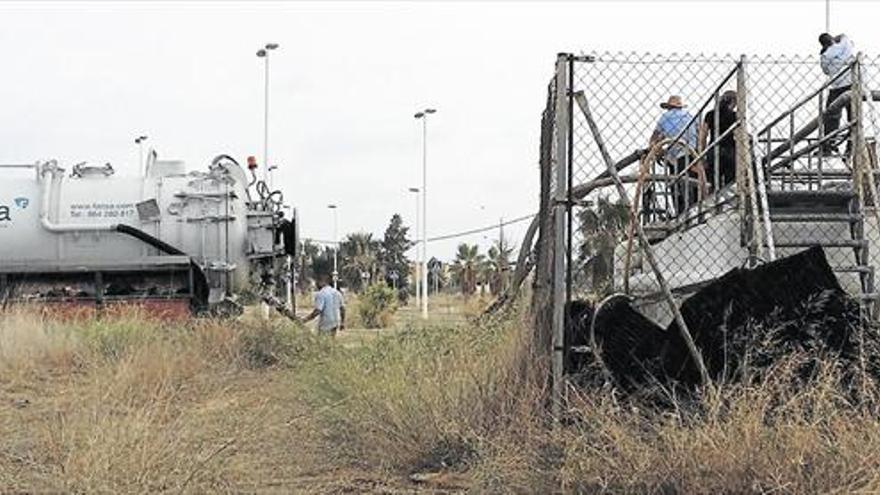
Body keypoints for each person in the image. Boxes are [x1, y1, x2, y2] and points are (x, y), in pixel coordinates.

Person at [650, 95, 702, 216]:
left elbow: (654, 139)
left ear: (668, 107)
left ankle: (682, 211)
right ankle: (694, 207)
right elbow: (699, 133)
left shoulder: (664, 118)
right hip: (692, 151)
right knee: (692, 180)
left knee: (676, 183)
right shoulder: (689, 116)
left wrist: (657, 152)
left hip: (676, 154)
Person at [818, 33, 856, 156]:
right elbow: (845, 36)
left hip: (836, 86)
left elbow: (825, 70)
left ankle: (828, 145)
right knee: (853, 117)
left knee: (831, 115)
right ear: (831, 38)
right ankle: (851, 147)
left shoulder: (824, 56)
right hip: (852, 83)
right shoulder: (845, 45)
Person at [699, 90, 738, 189]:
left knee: (713, 180)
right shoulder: (735, 116)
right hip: (730, 150)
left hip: (714, 149)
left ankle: (715, 198)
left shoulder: (710, 114)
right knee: (731, 181)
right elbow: (738, 135)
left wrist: (702, 155)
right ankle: (729, 200)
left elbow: (703, 136)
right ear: (733, 102)